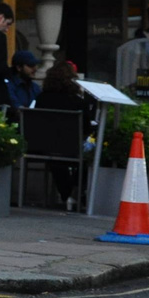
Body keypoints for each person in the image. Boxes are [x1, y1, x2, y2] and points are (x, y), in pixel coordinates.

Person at [32, 61, 87, 210]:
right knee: (90, 158)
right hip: (71, 147)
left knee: (56, 159)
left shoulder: (42, 98)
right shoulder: (77, 102)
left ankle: (67, 194)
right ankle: (76, 192)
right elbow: (87, 127)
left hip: (42, 145)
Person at [5, 50, 40, 116]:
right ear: (19, 67)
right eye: (31, 65)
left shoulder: (35, 87)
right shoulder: (8, 85)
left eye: (35, 65)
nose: (35, 69)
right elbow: (16, 108)